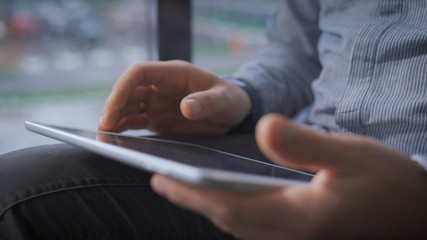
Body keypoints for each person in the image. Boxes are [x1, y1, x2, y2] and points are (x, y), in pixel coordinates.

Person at [1, 1, 427, 239]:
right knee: (17, 191)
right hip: (296, 157)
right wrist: (243, 97)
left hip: (411, 192)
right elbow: (297, 51)